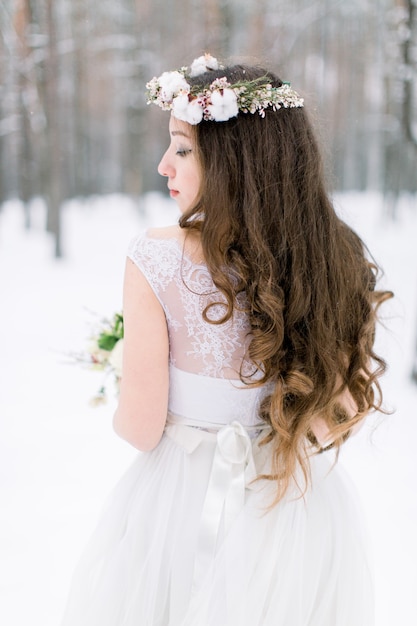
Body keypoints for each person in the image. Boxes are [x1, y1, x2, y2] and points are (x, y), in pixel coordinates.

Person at [61, 54, 392, 626]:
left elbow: (140, 429)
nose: (164, 164)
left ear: (236, 160)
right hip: (291, 508)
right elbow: (328, 422)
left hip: (180, 509)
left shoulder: (155, 258)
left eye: (183, 148)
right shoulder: (330, 257)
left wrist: (131, 378)